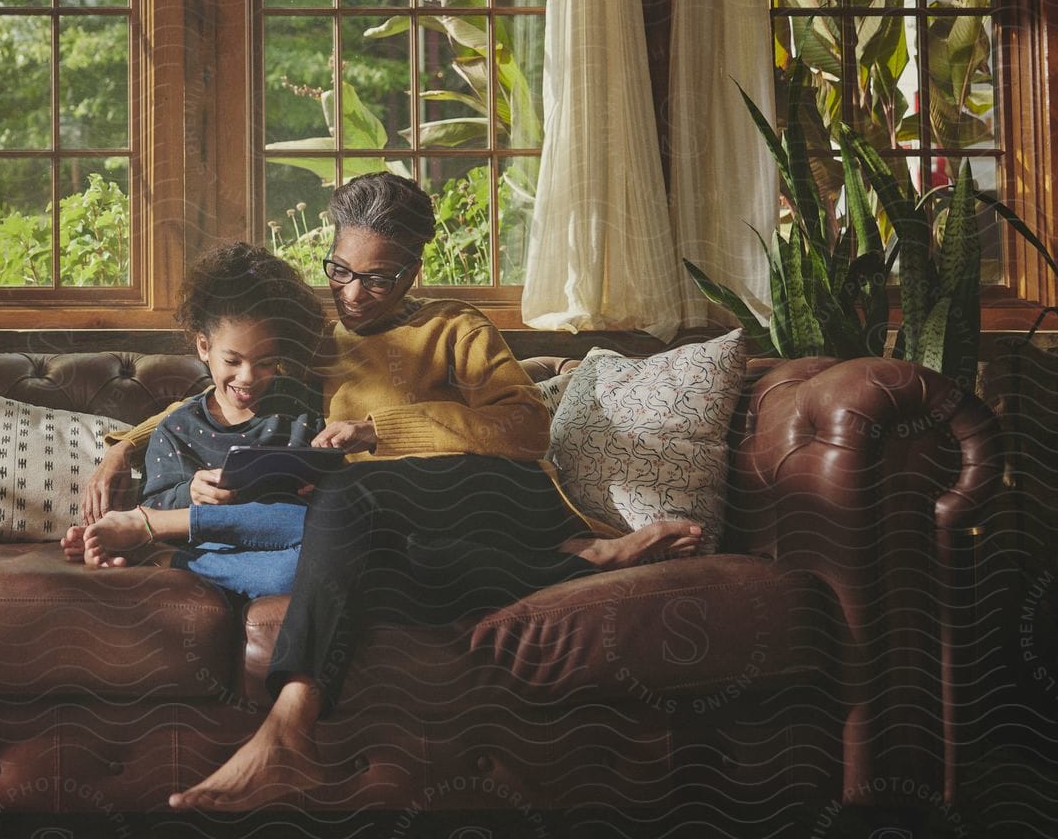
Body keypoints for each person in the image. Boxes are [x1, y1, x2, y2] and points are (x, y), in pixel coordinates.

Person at [81, 173, 702, 811]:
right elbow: (227, 387)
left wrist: (379, 431)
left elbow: (525, 427)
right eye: (340, 271)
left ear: (412, 270)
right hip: (399, 523)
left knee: (349, 488)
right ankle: (577, 562)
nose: (353, 293)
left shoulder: (455, 325)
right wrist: (126, 443)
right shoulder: (314, 337)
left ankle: (288, 729)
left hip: (495, 495)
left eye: (377, 278)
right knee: (360, 555)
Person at [65, 242, 327, 600]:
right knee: (295, 575)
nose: (248, 377)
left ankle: (165, 557)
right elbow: (155, 501)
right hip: (221, 550)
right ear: (204, 347)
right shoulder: (178, 428)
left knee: (317, 542)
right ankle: (171, 549)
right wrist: (189, 492)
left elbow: (327, 494)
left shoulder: (298, 409)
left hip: (281, 545)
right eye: (232, 361)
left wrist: (321, 482)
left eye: (265, 362)